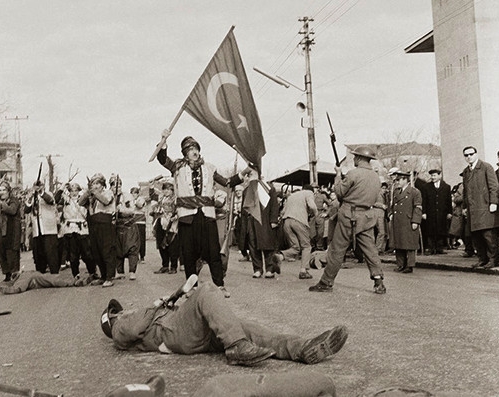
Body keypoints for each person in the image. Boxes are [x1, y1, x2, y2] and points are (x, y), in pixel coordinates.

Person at [102, 281, 348, 367]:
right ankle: (236, 347)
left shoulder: (137, 317)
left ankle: (302, 349)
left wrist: (170, 303)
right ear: (111, 318)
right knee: (207, 289)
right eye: (117, 311)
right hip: (176, 332)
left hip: (187, 332)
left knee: (251, 330)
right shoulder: (120, 325)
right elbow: (132, 331)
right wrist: (159, 305)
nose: (123, 309)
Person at [156, 132, 247, 298]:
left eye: (195, 147)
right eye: (189, 149)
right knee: (189, 253)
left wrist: (245, 171)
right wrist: (164, 141)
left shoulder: (209, 167)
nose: (194, 151)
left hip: (206, 216)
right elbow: (162, 159)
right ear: (185, 153)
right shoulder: (177, 166)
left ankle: (219, 285)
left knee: (213, 252)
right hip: (186, 216)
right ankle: (192, 287)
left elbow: (227, 182)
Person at [309, 146, 386, 294]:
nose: (354, 159)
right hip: (366, 217)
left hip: (348, 216)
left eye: (355, 157)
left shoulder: (353, 174)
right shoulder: (376, 177)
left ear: (358, 158)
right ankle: (379, 281)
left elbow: (339, 193)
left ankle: (326, 282)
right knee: (370, 251)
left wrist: (338, 175)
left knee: (337, 250)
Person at [461, 146, 499, 268]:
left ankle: (493, 260)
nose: (469, 157)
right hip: (472, 210)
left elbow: (493, 186)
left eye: (471, 154)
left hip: (485, 208)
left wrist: (493, 203)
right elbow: (465, 192)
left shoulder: (486, 167)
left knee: (488, 236)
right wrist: (465, 207)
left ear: (476, 154)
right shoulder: (466, 171)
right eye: (466, 155)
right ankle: (482, 259)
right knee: (476, 236)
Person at [237, 172, 281, 279]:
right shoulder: (247, 190)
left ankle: (270, 269)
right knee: (253, 245)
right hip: (250, 221)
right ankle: (257, 269)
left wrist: (274, 220)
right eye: (249, 175)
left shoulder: (269, 188)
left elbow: (274, 205)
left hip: (265, 220)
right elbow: (244, 208)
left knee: (267, 244)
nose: (249, 177)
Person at [79, 173, 117, 287]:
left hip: (105, 222)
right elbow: (80, 203)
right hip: (93, 223)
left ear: (102, 185)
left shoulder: (108, 193)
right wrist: (87, 193)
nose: (95, 186)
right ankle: (103, 276)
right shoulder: (91, 195)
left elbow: (106, 201)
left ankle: (110, 277)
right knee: (96, 251)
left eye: (97, 183)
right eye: (93, 183)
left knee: (107, 250)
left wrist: (95, 193)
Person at [273, 184, 317, 279]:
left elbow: (283, 211)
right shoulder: (309, 193)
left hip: (286, 221)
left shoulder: (292, 196)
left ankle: (280, 256)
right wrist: (314, 214)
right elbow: (312, 206)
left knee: (296, 247)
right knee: (306, 246)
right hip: (299, 221)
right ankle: (303, 271)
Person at [0, 182, 22, 282]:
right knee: (2, 253)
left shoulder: (13, 200)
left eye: (4, 190)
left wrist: (1, 205)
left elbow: (12, 210)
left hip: (12, 231)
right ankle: (7, 274)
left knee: (12, 252)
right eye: (0, 190)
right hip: (0, 231)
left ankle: (14, 273)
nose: (2, 192)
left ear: (8, 191)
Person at [24, 181, 60, 274]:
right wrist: (30, 197)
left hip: (48, 229)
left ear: (43, 186)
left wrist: (41, 193)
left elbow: (51, 201)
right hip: (37, 230)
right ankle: (41, 273)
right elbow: (26, 210)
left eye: (40, 186)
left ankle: (54, 274)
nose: (38, 187)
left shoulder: (48, 194)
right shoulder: (32, 197)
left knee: (51, 253)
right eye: (36, 186)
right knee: (38, 254)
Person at [390, 171, 423, 273]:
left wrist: (415, 221)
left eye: (398, 180)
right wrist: (390, 214)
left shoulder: (414, 192)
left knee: (409, 244)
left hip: (408, 221)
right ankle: (400, 264)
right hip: (398, 221)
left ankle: (410, 265)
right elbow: (392, 205)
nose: (397, 182)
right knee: (399, 243)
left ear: (405, 180)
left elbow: (418, 208)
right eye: (396, 180)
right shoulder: (396, 192)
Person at [114, 176, 140, 281]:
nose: (117, 188)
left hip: (128, 225)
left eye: (119, 185)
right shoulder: (110, 196)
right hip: (117, 225)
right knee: (117, 249)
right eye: (114, 186)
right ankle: (120, 272)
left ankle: (132, 271)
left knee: (132, 248)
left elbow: (132, 210)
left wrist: (120, 208)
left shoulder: (127, 196)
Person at [151, 181, 180, 274]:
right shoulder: (161, 198)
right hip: (161, 220)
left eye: (168, 189)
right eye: (165, 189)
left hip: (172, 222)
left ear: (172, 190)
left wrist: (175, 216)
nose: (166, 191)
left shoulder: (176, 198)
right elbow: (153, 199)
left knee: (172, 244)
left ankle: (174, 266)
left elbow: (179, 209)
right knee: (161, 243)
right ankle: (165, 265)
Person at [421, 169, 452, 255]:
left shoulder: (446, 187)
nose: (432, 177)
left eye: (434, 175)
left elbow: (448, 200)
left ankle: (439, 248)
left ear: (439, 176)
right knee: (430, 230)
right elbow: (424, 200)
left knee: (441, 229)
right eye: (431, 176)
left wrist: (449, 212)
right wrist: (423, 212)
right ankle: (431, 248)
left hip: (442, 213)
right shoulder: (426, 187)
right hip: (430, 213)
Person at [130, 187, 147, 263]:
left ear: (138, 193)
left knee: (141, 239)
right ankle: (135, 256)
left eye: (135, 193)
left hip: (140, 222)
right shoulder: (131, 200)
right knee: (134, 240)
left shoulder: (141, 199)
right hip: (133, 222)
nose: (133, 195)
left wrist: (134, 202)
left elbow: (140, 205)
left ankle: (142, 256)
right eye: (132, 193)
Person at [374, 181, 389, 255]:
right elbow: (373, 202)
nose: (384, 190)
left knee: (385, 233)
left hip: (384, 215)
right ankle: (377, 249)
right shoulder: (376, 194)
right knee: (381, 232)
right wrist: (381, 205)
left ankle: (382, 249)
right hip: (378, 214)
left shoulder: (385, 195)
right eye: (383, 188)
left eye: (385, 188)